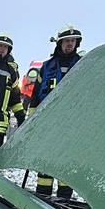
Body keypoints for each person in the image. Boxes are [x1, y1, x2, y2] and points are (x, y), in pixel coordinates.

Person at [27, 25, 84, 199]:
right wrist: (31, 124)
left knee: (65, 168)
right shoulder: (46, 67)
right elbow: (35, 97)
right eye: (66, 41)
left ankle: (64, 205)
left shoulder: (83, 65)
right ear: (59, 43)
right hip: (47, 126)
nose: (69, 44)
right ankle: (42, 202)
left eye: (73, 41)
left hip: (71, 126)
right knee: (44, 167)